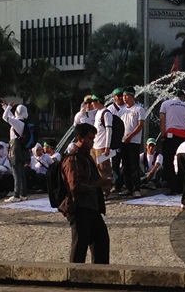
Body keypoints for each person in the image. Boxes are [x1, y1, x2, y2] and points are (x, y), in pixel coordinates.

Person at [60, 123, 111, 264]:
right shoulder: (73, 159)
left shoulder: (86, 157)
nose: (92, 142)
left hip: (92, 207)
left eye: (93, 139)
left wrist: (103, 184)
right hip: (79, 208)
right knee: (79, 248)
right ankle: (74, 279)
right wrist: (97, 184)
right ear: (80, 138)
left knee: (101, 242)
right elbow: (75, 186)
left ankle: (99, 278)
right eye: (90, 138)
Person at [160, 89, 185, 194]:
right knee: (182, 162)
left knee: (168, 162)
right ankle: (181, 187)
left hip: (170, 135)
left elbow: (162, 120)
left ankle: (173, 186)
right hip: (183, 136)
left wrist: (163, 134)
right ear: (183, 97)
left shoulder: (166, 104)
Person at [2, 100, 30, 203]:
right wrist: (5, 107)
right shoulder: (21, 122)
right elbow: (11, 117)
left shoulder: (17, 123)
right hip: (21, 149)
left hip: (15, 149)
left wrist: (9, 107)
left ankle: (16, 195)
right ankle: (23, 194)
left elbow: (5, 118)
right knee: (21, 172)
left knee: (16, 173)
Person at [120, 87, 145, 198]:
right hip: (123, 141)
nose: (124, 98)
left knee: (134, 165)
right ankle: (128, 187)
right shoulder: (122, 110)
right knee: (125, 165)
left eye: (126, 96)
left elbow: (140, 125)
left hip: (134, 141)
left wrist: (130, 136)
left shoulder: (139, 109)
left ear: (132, 96)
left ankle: (136, 188)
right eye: (123, 96)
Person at [92, 95, 113, 198]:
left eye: (93, 101)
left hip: (102, 146)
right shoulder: (97, 113)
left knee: (104, 169)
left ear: (98, 101)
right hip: (95, 145)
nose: (92, 104)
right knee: (96, 169)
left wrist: (107, 146)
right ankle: (98, 189)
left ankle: (106, 191)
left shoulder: (106, 113)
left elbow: (109, 130)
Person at [107, 88, 126, 194]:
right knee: (115, 163)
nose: (120, 98)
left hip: (126, 138)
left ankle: (124, 183)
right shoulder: (110, 109)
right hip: (115, 140)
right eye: (118, 96)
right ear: (113, 97)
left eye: (121, 95)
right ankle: (116, 184)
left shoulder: (127, 107)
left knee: (126, 163)